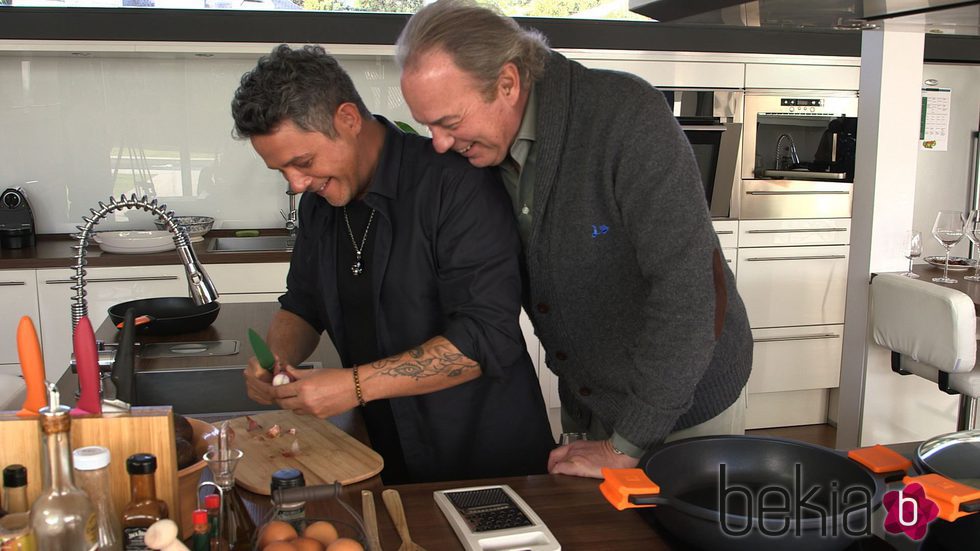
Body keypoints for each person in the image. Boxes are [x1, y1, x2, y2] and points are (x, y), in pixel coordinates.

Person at [397, 0, 754, 479]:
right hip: (592, 405)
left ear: (507, 83)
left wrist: (626, 444)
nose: (440, 142)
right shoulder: (476, 155)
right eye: (428, 127)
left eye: (449, 122)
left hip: (686, 409)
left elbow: (689, 291)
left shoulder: (623, 117)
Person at [231, 44, 554, 484]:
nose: (296, 184)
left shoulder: (454, 184)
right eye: (281, 171)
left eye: (302, 162)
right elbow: (303, 305)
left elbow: (486, 338)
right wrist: (277, 360)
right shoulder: (319, 206)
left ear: (347, 118)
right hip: (377, 451)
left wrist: (353, 386)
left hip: (484, 460)